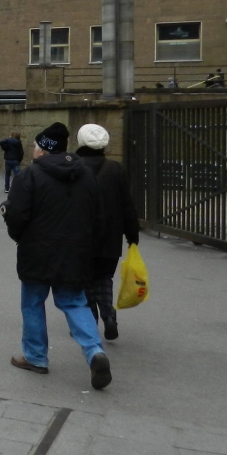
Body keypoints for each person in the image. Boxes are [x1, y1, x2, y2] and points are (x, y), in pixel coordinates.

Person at [1, 122, 112, 390]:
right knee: (75, 302)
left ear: (43, 149)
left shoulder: (29, 176)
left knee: (33, 302)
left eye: (35, 146)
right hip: (75, 253)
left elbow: (16, 215)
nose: (33, 150)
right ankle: (95, 351)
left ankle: (36, 357)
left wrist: (19, 236)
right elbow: (99, 218)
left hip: (36, 252)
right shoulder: (86, 176)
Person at [75, 123, 139, 340]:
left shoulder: (74, 167)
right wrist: (132, 234)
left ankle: (90, 320)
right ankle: (109, 314)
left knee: (84, 279)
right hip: (110, 236)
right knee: (104, 277)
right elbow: (126, 204)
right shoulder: (115, 169)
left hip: (82, 235)